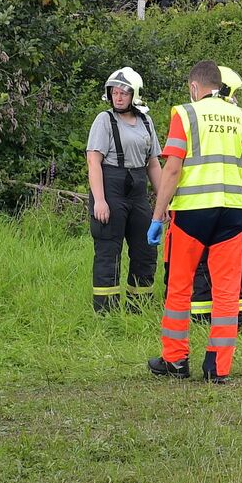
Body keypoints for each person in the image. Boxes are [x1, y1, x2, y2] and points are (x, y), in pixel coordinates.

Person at [147, 61, 242, 383]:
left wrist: (157, 215)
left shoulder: (185, 115)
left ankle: (175, 361)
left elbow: (173, 169)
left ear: (194, 87)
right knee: (227, 293)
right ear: (219, 86)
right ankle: (217, 367)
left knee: (179, 288)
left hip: (191, 214)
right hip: (232, 214)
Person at [189, 68, 242, 327]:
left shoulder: (196, 119)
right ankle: (235, 317)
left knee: (202, 264)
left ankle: (201, 316)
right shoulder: (240, 121)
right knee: (235, 267)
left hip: (198, 207)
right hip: (234, 208)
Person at [87, 68, 157, 314]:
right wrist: (100, 201)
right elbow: (93, 161)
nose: (118, 97)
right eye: (114, 92)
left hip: (138, 190)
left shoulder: (146, 122)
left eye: (123, 93)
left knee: (145, 249)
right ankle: (106, 312)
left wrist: (163, 202)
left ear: (134, 95)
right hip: (111, 186)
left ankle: (140, 308)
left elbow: (153, 164)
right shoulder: (104, 120)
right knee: (109, 250)